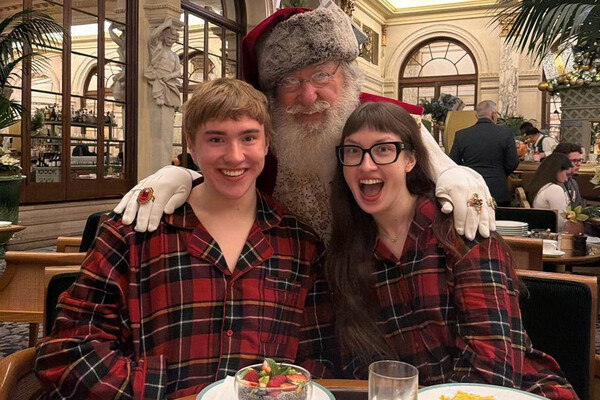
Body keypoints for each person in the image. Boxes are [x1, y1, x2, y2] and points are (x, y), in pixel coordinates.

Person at [34, 79, 336, 399]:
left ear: (266, 143)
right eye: (216, 139)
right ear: (191, 144)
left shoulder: (300, 245)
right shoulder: (132, 233)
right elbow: (68, 352)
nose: (235, 156)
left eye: (248, 138)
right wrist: (162, 391)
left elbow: (319, 359)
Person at [116, 6, 494, 242]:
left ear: (348, 77)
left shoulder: (389, 124)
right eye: (290, 82)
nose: (308, 96)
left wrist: (459, 176)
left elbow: (444, 173)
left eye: (321, 76)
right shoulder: (269, 136)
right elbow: (231, 171)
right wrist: (182, 175)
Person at [326, 101, 577, 398]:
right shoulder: (348, 252)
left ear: (411, 159)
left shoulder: (460, 228)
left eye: (383, 149)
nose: (366, 165)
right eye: (353, 151)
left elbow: (493, 368)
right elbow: (354, 366)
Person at [449, 100, 519, 207]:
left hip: (471, 189)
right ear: (493, 115)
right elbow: (513, 162)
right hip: (497, 189)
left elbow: (453, 162)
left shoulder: (461, 135)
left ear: (477, 116)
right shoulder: (505, 134)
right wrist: (500, 172)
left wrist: (468, 173)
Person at [526, 152, 573, 230]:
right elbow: (560, 223)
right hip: (552, 233)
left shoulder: (540, 187)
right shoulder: (554, 189)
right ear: (558, 170)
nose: (566, 179)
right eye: (566, 174)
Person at [144, 18, 181, 108]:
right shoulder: (158, 48)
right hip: (158, 78)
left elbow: (178, 72)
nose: (170, 41)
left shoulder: (174, 55)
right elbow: (153, 37)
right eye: (168, 38)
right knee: (160, 102)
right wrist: (164, 25)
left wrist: (169, 76)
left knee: (172, 103)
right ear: (164, 37)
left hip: (169, 82)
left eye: (173, 39)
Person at [553, 141, 583, 207]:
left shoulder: (573, 183)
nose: (579, 164)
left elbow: (578, 208)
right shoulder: (552, 184)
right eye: (574, 161)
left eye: (580, 160)